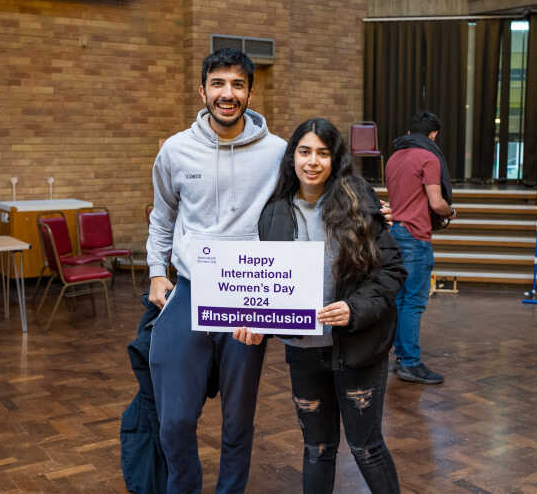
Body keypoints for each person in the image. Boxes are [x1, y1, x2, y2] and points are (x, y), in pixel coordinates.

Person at [145, 48, 287, 494]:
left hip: (249, 296)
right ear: (202, 90)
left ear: (250, 90)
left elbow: (303, 211)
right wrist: (155, 270)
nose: (228, 94)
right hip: (190, 289)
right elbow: (162, 215)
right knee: (175, 421)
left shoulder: (279, 153)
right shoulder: (175, 149)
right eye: (219, 84)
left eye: (238, 84)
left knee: (237, 422)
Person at [249, 118, 405, 494]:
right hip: (303, 353)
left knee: (366, 447)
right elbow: (266, 283)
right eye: (304, 152)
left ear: (335, 160)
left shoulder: (358, 202)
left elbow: (392, 270)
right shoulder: (274, 213)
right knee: (317, 449)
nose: (313, 161)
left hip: (356, 350)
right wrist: (254, 319)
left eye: (323, 153)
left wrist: (354, 309)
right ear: (292, 159)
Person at [386, 111, 455, 385]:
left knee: (401, 301)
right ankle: (411, 363)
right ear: (434, 134)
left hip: (395, 234)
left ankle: (402, 358)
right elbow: (436, 203)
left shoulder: (393, 157)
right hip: (415, 237)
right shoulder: (428, 157)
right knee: (413, 302)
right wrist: (452, 211)